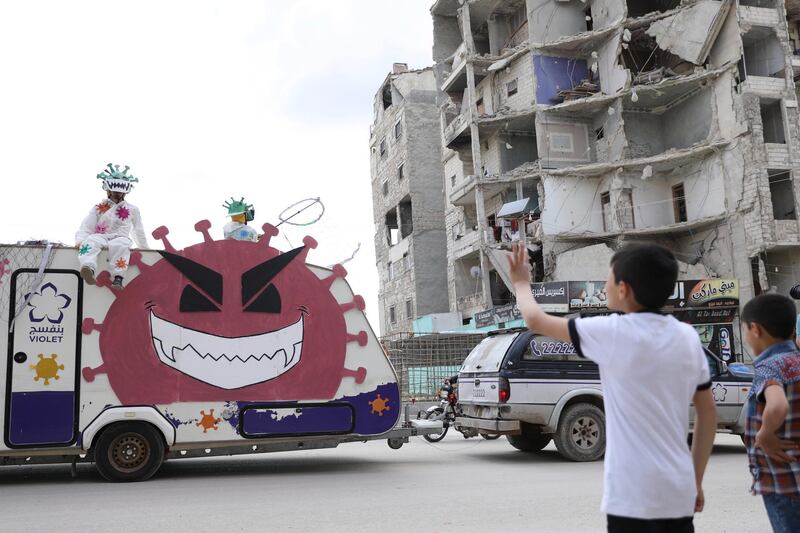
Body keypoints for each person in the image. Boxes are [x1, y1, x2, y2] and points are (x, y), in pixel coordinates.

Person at [507, 242, 717, 532]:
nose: (604, 286)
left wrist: (520, 282)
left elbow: (534, 320)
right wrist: (695, 480)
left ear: (624, 289)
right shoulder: (687, 337)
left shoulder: (612, 332)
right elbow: (707, 414)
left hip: (631, 497)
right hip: (678, 491)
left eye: (608, 279)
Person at [741, 294, 800, 532]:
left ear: (754, 329)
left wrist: (764, 435)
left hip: (782, 481)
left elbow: (777, 405)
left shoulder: (769, 367)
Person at [75, 163, 148, 288]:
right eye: (114, 190)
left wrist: (145, 248)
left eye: (119, 192)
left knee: (121, 245)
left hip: (121, 237)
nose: (116, 193)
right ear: (108, 190)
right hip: (102, 236)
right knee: (91, 240)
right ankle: (88, 268)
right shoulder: (99, 207)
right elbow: (87, 225)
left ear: (124, 192)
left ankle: (118, 277)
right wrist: (81, 240)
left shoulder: (132, 209)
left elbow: (138, 230)